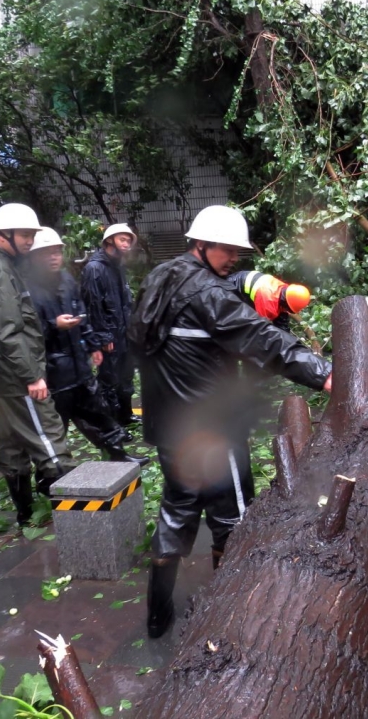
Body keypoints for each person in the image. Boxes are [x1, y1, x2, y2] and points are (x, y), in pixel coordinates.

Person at [128, 205, 333, 639]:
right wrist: (323, 373)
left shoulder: (161, 277)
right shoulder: (208, 294)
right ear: (201, 245)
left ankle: (156, 616)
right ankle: (228, 611)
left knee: (178, 509)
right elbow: (261, 340)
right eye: (228, 250)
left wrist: (245, 286)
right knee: (233, 520)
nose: (235, 258)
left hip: (170, 427)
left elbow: (208, 311)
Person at [0, 203, 75, 525]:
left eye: (31, 234)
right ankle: (76, 522)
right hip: (15, 375)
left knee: (10, 443)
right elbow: (8, 331)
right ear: (3, 234)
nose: (29, 241)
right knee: (49, 437)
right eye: (25, 235)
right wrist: (32, 375)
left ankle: (25, 514)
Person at [26, 228, 148, 466]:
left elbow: (83, 313)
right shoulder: (26, 287)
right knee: (53, 431)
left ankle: (118, 456)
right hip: (51, 371)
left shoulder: (66, 279)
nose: (53, 257)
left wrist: (93, 344)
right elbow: (26, 330)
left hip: (78, 367)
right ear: (33, 256)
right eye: (46, 253)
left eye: (57, 252)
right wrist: (54, 325)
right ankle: (52, 478)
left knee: (99, 414)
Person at [81, 224, 138, 430]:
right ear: (109, 241)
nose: (126, 244)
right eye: (122, 239)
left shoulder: (118, 266)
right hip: (110, 338)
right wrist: (103, 338)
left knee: (126, 378)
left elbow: (124, 303)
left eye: (128, 241)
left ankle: (126, 416)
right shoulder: (94, 269)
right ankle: (113, 425)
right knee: (109, 382)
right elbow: (93, 306)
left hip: (124, 334)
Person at [229, 270, 312, 330]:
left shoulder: (285, 290)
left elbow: (282, 319)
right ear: (287, 304)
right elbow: (260, 328)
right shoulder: (268, 302)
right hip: (233, 287)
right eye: (289, 309)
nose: (288, 311)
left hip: (245, 280)